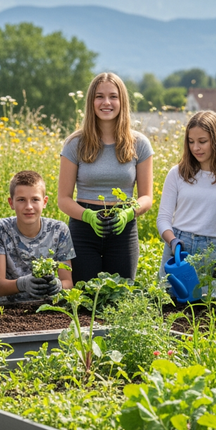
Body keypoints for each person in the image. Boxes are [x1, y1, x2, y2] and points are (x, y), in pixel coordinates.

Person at [58, 72, 153, 283]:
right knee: (84, 300)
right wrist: (88, 216)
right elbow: (63, 199)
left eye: (113, 96)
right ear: (91, 101)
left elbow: (147, 197)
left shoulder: (140, 144)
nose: (106, 102)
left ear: (123, 101)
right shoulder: (75, 144)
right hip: (83, 231)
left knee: (119, 299)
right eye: (99, 96)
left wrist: (129, 213)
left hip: (123, 230)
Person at [157, 111, 216, 294]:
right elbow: (163, 218)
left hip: (212, 252)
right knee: (168, 311)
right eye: (191, 141)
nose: (196, 147)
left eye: (202, 141)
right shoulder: (177, 173)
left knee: (207, 315)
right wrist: (172, 241)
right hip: (178, 250)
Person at [0, 171, 75, 304]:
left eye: (35, 199)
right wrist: (22, 284)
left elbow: (68, 282)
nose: (29, 207)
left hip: (45, 306)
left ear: (45, 202)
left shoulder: (59, 230)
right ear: (11, 203)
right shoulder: (0, 229)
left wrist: (58, 285)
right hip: (6, 307)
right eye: (21, 200)